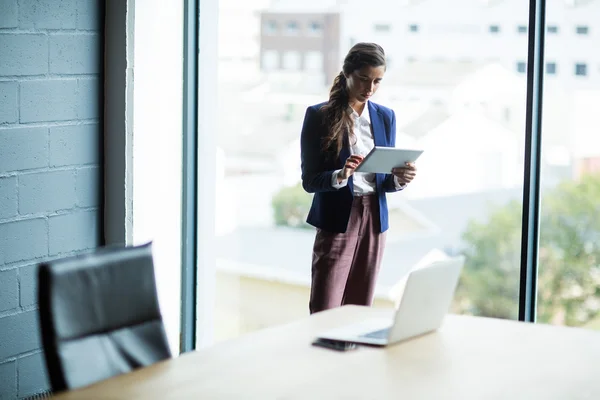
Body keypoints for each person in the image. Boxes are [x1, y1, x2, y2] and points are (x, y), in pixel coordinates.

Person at [300, 42, 417, 314]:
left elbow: (385, 180)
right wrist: (340, 175)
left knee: (360, 305)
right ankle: (323, 355)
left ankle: (353, 357)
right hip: (338, 217)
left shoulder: (386, 117)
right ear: (347, 73)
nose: (370, 88)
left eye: (377, 81)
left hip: (375, 216)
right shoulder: (319, 115)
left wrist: (401, 177)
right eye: (364, 79)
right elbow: (309, 180)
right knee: (325, 306)